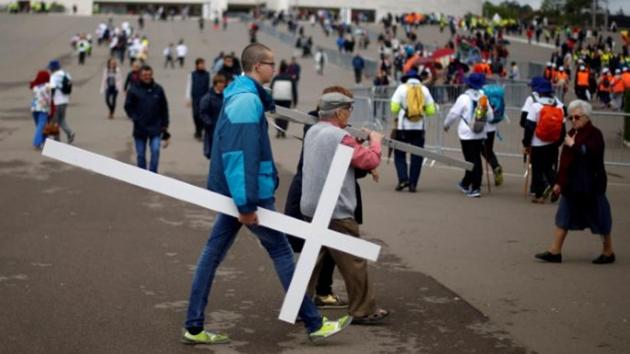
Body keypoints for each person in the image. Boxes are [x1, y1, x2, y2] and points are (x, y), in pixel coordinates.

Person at [182, 43, 351, 345]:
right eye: (271, 63)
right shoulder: (246, 101)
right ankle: (313, 323)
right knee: (281, 252)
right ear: (258, 66)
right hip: (249, 195)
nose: (275, 68)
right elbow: (240, 154)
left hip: (242, 192)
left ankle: (194, 326)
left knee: (213, 255)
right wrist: (246, 202)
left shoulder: (246, 96)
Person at [301, 91, 389, 324]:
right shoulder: (340, 136)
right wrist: (376, 142)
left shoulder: (313, 131)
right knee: (354, 259)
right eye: (348, 109)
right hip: (336, 207)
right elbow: (368, 160)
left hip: (312, 204)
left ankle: (301, 305)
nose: (350, 114)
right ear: (339, 112)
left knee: (313, 258)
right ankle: (363, 310)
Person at [535, 100, 615, 264]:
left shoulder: (595, 134)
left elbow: (591, 154)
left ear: (586, 117)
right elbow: (564, 161)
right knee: (563, 216)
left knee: (601, 218)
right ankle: (555, 251)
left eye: (576, 117)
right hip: (572, 185)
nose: (573, 120)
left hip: (591, 185)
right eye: (571, 117)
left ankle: (608, 252)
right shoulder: (572, 133)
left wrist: (574, 145)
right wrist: (558, 183)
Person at [443, 73, 494, 198]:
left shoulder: (463, 98)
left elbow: (453, 114)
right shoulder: (483, 97)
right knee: (475, 157)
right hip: (480, 132)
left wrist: (446, 124)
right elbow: (491, 116)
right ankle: (466, 183)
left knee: (471, 160)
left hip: (466, 133)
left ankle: (475, 186)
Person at [389, 70, 437, 192]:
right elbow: (431, 110)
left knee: (399, 154)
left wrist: (403, 109)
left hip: (403, 127)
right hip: (419, 127)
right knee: (417, 155)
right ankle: (413, 184)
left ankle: (403, 179)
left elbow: (393, 107)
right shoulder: (424, 90)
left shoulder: (401, 88)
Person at [522, 80, 565, 203]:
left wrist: (526, 143)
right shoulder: (559, 106)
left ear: (539, 93)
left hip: (537, 143)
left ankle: (539, 194)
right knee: (547, 167)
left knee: (537, 169)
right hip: (552, 143)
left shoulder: (536, 106)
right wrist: (557, 142)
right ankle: (558, 184)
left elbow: (529, 127)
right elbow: (563, 129)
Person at [124, 65, 170, 173]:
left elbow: (164, 107)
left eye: (149, 75)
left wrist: (165, 125)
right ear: (140, 76)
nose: (147, 77)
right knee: (140, 155)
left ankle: (153, 174)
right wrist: (134, 117)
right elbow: (127, 106)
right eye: (144, 75)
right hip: (140, 128)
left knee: (155, 150)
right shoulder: (133, 90)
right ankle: (142, 175)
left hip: (155, 127)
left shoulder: (158, 89)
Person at [198, 74, 226, 159]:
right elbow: (202, 112)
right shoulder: (208, 98)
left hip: (225, 128)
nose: (221, 85)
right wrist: (209, 123)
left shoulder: (226, 97)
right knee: (213, 153)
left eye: (223, 83)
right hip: (212, 129)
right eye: (219, 83)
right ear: (215, 84)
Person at [48, 60, 75, 144]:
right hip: (65, 100)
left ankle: (67, 134)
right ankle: (60, 136)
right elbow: (70, 84)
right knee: (61, 119)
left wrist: (50, 99)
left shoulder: (54, 76)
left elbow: (52, 88)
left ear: (53, 68)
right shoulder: (65, 74)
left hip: (58, 101)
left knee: (55, 120)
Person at [270, 60, 298, 138]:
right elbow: (294, 90)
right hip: (287, 98)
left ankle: (278, 130)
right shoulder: (290, 78)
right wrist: (295, 101)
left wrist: (269, 99)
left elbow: (271, 88)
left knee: (278, 114)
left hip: (277, 98)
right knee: (285, 115)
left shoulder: (276, 77)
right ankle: (283, 130)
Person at [186, 58, 210, 140]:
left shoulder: (207, 74)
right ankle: (197, 129)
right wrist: (188, 98)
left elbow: (209, 86)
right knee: (195, 115)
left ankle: (199, 132)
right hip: (195, 98)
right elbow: (189, 86)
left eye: (203, 64)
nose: (202, 66)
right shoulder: (192, 74)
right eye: (201, 64)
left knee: (202, 115)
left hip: (204, 98)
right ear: (196, 65)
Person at [30, 70, 51, 149]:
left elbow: (32, 83)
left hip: (34, 108)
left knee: (39, 125)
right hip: (43, 108)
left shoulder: (35, 86)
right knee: (41, 126)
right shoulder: (47, 86)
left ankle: (43, 140)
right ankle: (37, 142)